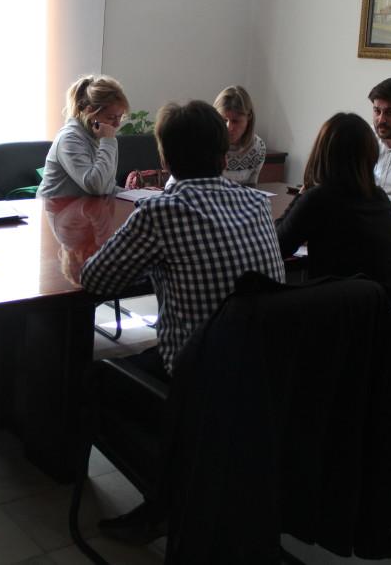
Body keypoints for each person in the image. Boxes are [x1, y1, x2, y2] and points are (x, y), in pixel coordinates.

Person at [81, 100, 286, 543]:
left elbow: (95, 280)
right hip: (262, 369)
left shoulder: (161, 211)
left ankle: (165, 498)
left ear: (165, 158)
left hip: (197, 375)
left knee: (90, 382)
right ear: (224, 156)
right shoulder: (257, 204)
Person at [275, 112, 391, 300]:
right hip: (384, 308)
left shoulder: (319, 198)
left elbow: (276, 247)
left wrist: (301, 195)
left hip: (339, 310)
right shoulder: (379, 197)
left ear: (323, 152)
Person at [37, 74, 129, 198]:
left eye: (120, 117)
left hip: (84, 207)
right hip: (54, 208)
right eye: (111, 117)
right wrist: (108, 142)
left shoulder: (104, 137)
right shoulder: (69, 139)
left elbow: (107, 187)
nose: (117, 124)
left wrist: (138, 195)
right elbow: (96, 187)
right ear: (89, 112)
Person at [215, 85, 266, 186]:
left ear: (249, 117)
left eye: (235, 121)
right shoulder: (206, 146)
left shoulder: (257, 148)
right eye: (224, 120)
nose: (229, 127)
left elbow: (251, 188)